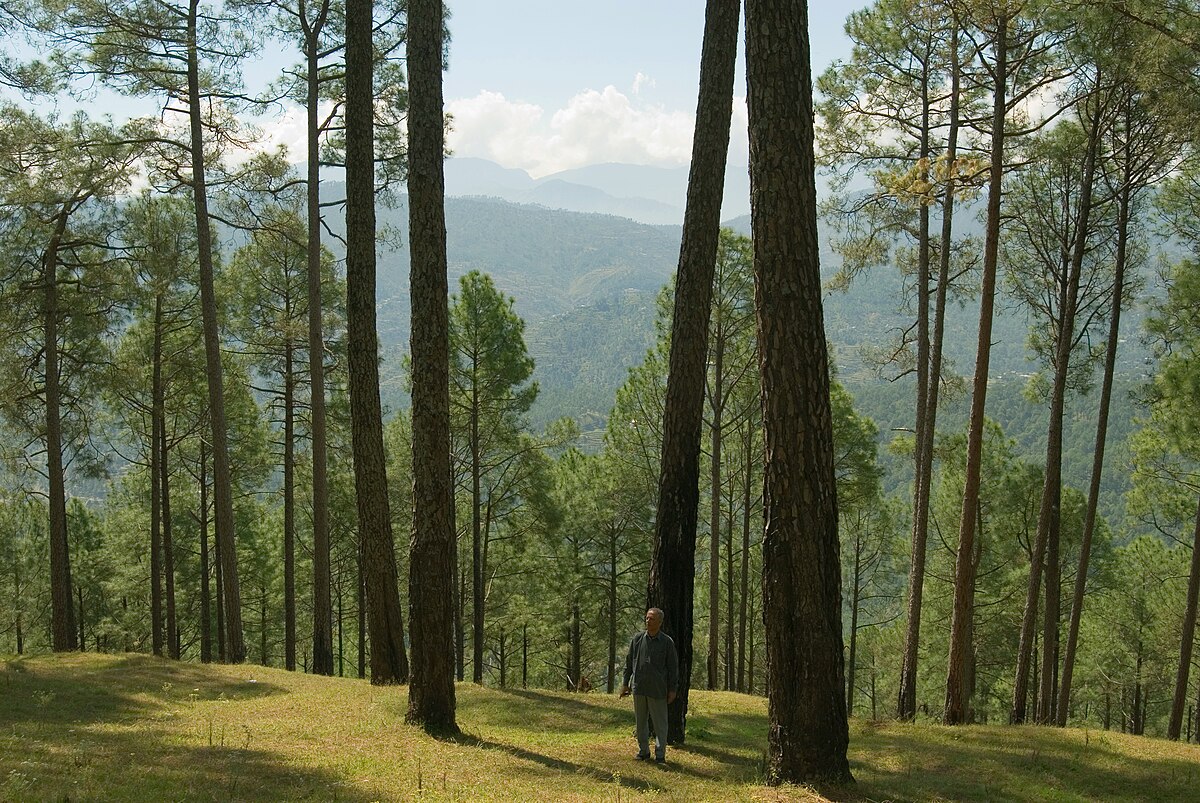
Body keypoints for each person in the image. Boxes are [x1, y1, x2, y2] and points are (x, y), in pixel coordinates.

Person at [619, 607, 679, 764]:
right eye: (647, 618)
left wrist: (673, 689)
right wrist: (626, 684)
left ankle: (660, 755)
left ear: (659, 622)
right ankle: (643, 751)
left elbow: (673, 668)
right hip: (640, 688)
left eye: (652, 619)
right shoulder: (638, 639)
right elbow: (629, 663)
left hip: (658, 690)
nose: (648, 621)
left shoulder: (666, 642)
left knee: (660, 725)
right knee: (641, 723)